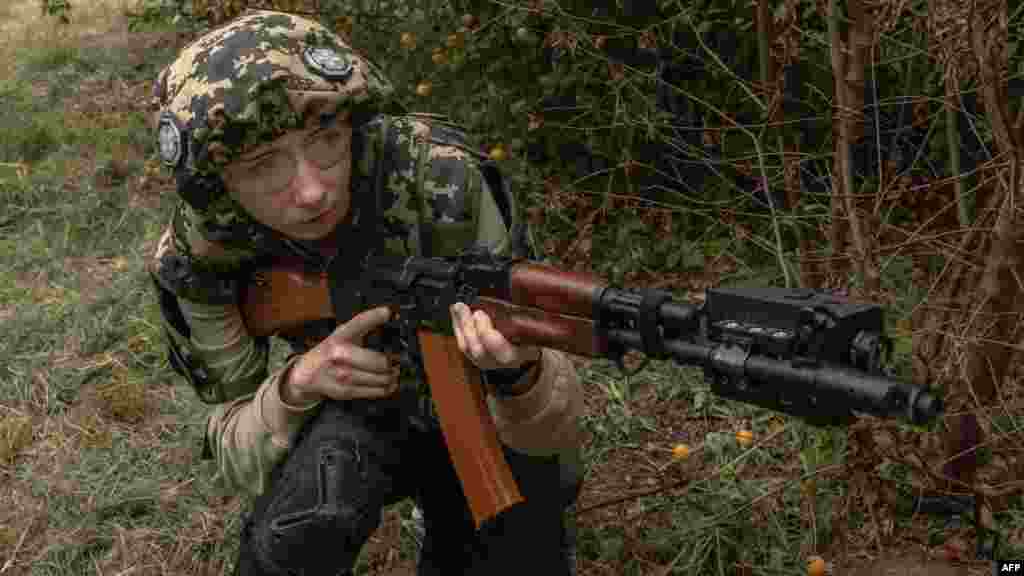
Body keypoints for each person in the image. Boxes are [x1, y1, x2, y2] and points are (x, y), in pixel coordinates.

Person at [147, 10, 584, 576]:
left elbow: (557, 423)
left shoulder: (442, 181)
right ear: (219, 182)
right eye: (263, 166)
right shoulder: (203, 251)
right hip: (353, 411)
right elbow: (231, 448)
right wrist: (295, 386)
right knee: (295, 534)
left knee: (518, 540)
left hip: (480, 408)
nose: (310, 191)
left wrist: (517, 373)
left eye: (326, 140)